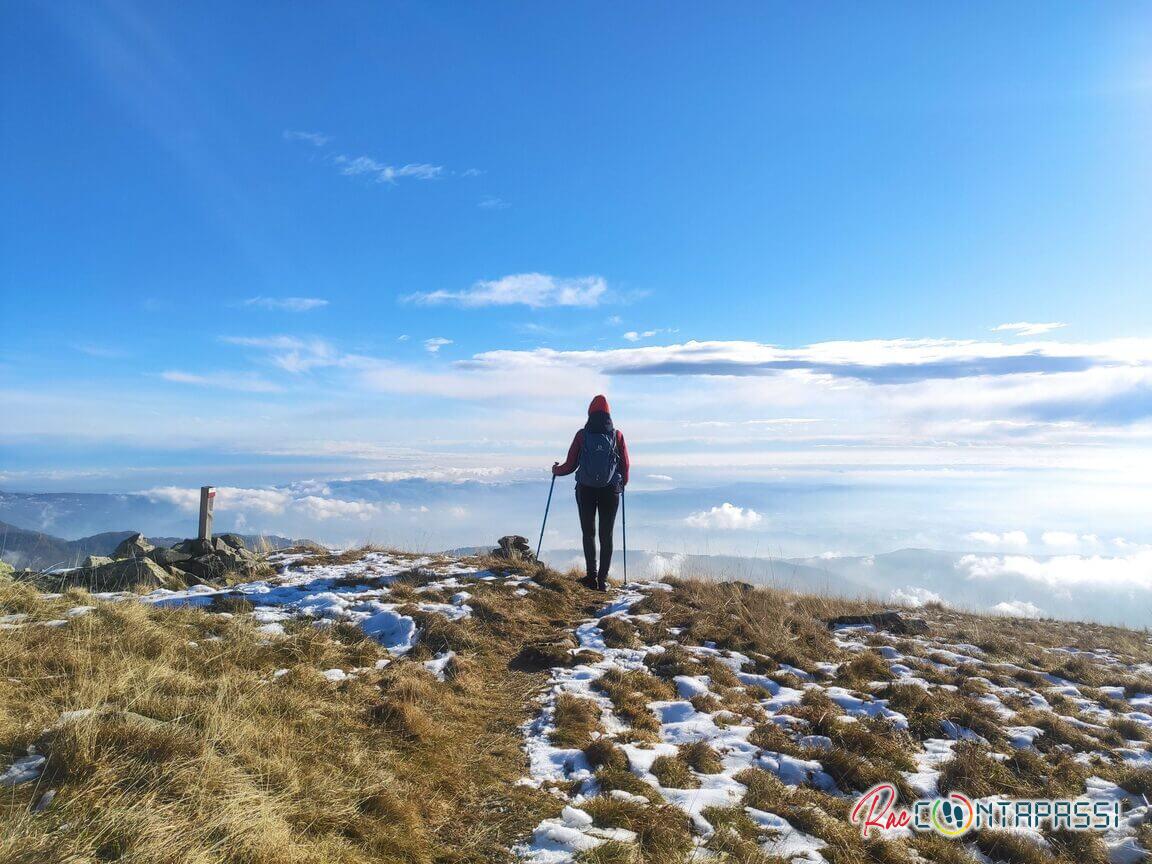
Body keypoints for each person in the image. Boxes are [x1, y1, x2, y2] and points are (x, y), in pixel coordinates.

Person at [552, 395, 630, 590]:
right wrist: (622, 484)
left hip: (585, 490)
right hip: (610, 491)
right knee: (607, 535)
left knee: (589, 533)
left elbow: (570, 465)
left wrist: (556, 470)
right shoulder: (617, 435)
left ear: (590, 413)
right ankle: (602, 580)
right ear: (608, 414)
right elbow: (625, 465)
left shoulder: (582, 435)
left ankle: (591, 577)